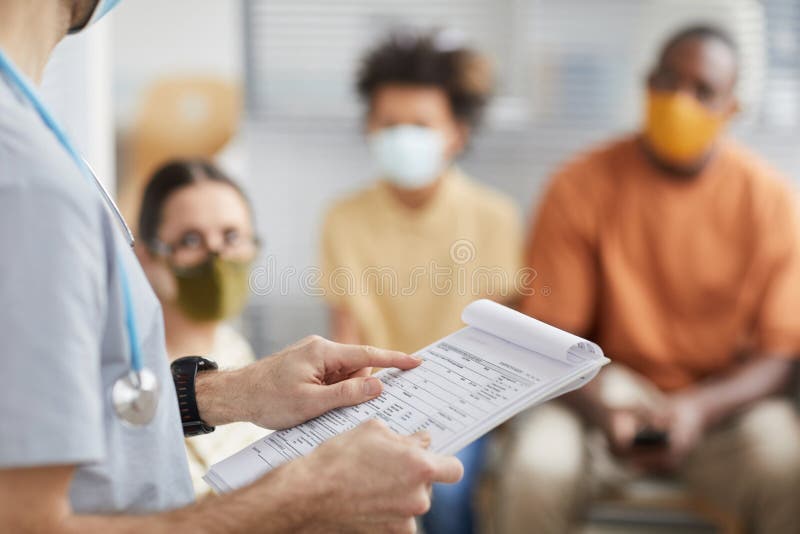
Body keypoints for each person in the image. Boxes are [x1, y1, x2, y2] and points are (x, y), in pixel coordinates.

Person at [0, 2, 463, 533]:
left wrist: (231, 392)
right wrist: (308, 493)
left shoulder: (33, 141)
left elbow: (52, 406)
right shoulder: (26, 180)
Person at [496, 25, 800, 534]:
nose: (680, 101)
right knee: (534, 469)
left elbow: (779, 356)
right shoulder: (579, 186)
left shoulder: (769, 202)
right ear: (646, 83)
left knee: (788, 471)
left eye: (703, 90)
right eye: (667, 80)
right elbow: (549, 341)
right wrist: (604, 414)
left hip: (725, 406)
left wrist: (697, 409)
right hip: (601, 393)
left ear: (731, 109)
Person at [319, 32, 522, 534]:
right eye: (390, 124)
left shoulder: (495, 218)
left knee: (443, 497)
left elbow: (498, 345)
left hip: (465, 405)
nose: (403, 136)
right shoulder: (342, 219)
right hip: (373, 401)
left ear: (456, 132)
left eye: (420, 124)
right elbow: (345, 342)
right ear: (369, 126)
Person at [136, 159, 268, 497]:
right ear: (148, 256)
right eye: (191, 240)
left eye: (232, 236)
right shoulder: (130, 375)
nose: (217, 256)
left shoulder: (233, 346)